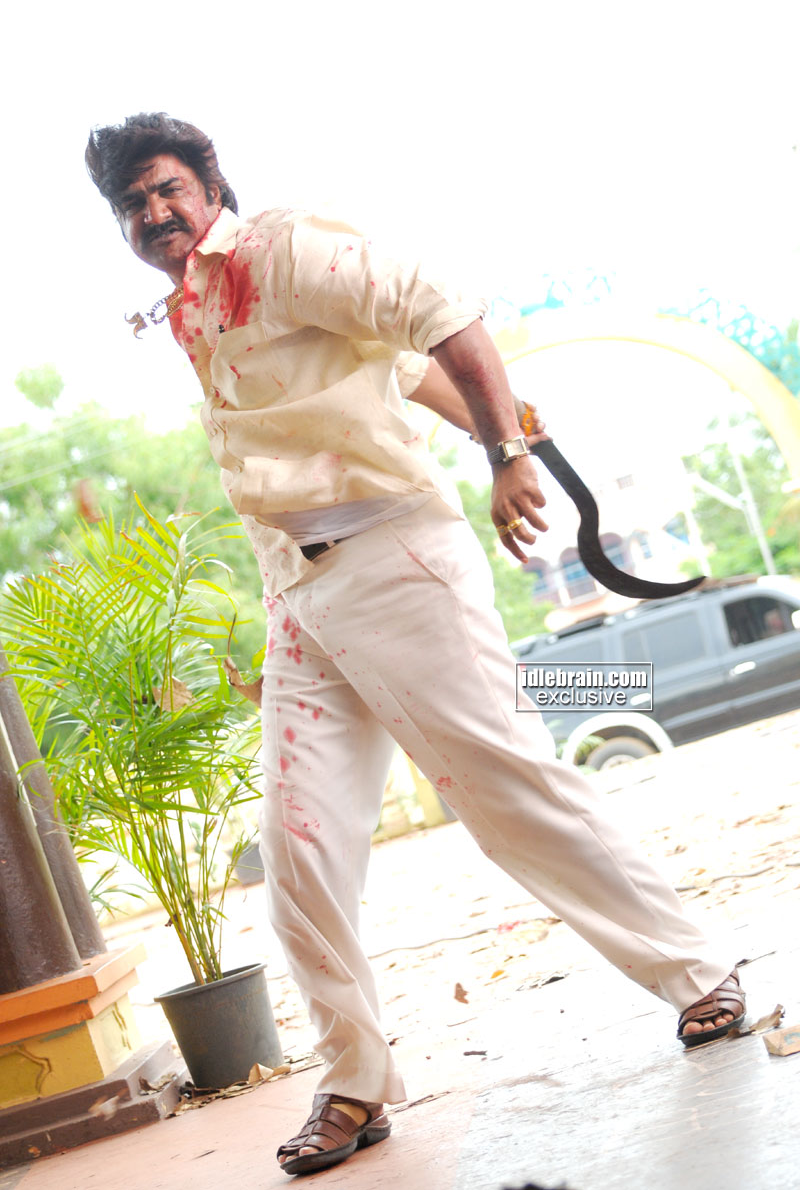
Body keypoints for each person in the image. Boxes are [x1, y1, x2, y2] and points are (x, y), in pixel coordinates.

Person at [86, 114, 745, 1177]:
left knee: (505, 788)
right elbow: (388, 370)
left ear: (208, 185)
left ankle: (698, 972)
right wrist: (487, 421)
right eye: (132, 203)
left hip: (394, 558)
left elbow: (438, 311)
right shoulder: (192, 307)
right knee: (297, 850)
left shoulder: (284, 248)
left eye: (167, 188)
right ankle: (354, 1080)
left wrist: (507, 449)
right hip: (300, 593)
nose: (154, 212)